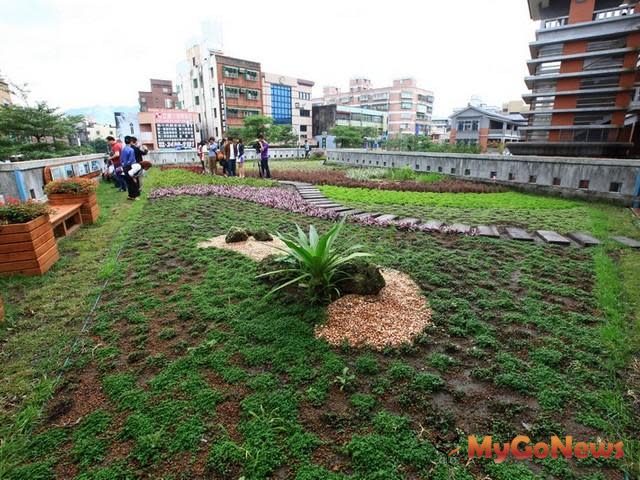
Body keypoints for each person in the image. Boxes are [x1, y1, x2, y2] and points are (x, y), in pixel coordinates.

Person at [121, 136, 140, 200]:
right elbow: (131, 160)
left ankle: (130, 195)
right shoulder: (131, 150)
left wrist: (124, 166)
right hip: (130, 166)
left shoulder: (123, 149)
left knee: (128, 182)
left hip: (124, 167)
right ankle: (135, 196)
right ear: (131, 141)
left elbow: (121, 159)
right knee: (134, 181)